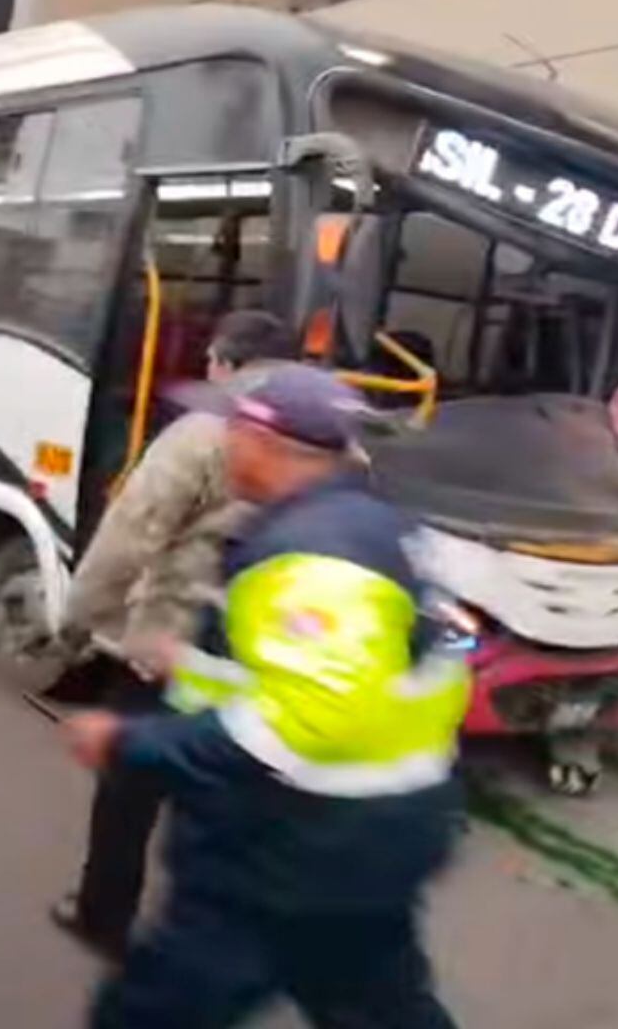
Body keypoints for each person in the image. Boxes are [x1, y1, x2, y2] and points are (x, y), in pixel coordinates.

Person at [65, 365, 469, 1028]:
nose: (222, 441)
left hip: (287, 848)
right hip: (381, 835)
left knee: (153, 1012)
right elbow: (337, 681)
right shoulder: (378, 525)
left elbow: (296, 721)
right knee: (381, 1005)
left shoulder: (313, 558)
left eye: (232, 428)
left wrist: (128, 739)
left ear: (261, 441)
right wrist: (187, 667)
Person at [48, 310, 295, 958]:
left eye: (213, 361)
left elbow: (128, 538)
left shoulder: (206, 433)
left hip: (174, 649)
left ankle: (103, 916)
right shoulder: (336, 445)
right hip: (271, 659)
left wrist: (76, 623)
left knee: (129, 791)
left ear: (226, 363)